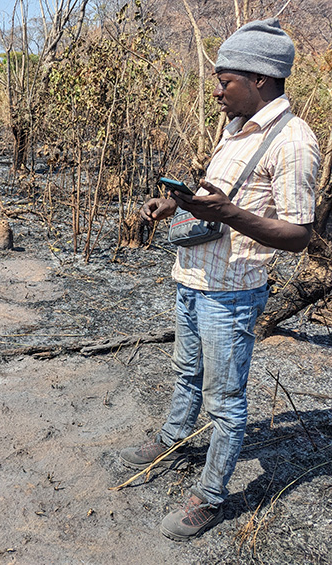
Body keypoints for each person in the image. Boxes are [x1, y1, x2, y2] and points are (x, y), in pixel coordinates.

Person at [121, 18, 320, 541]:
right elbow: (218, 197)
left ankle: (209, 497)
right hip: (193, 277)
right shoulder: (235, 126)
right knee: (186, 371)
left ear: (261, 79)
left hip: (232, 293)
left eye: (224, 80)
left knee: (226, 402)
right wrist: (175, 204)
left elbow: (299, 234)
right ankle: (172, 438)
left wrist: (230, 214)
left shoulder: (295, 141)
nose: (216, 91)